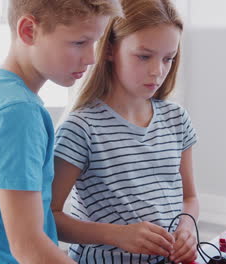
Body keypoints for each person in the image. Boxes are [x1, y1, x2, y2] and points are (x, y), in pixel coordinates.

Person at [0, 0, 122, 263]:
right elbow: (29, 246)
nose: (91, 58)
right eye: (79, 43)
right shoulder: (17, 111)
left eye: (95, 42)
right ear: (28, 31)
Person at [51, 0, 199, 263]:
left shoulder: (177, 119)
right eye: (144, 56)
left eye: (168, 58)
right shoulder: (81, 129)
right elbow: (49, 217)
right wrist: (116, 235)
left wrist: (187, 228)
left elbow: (189, 197)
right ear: (109, 49)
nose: (158, 71)